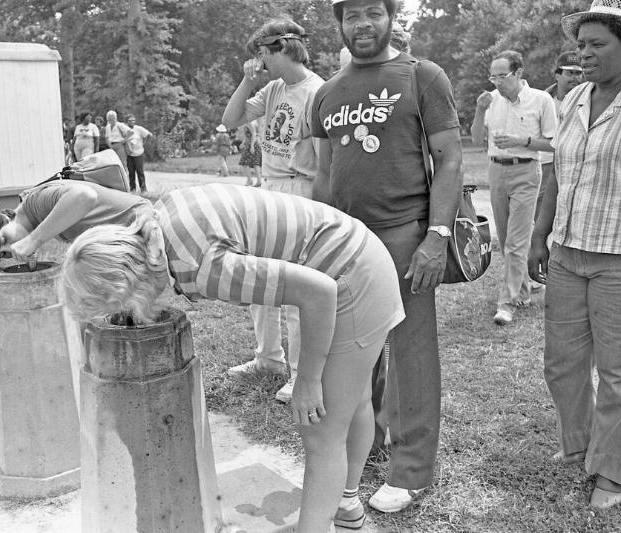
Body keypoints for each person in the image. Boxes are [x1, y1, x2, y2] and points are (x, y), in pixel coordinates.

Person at [59, 184, 404, 532]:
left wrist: (308, 379)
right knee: (355, 399)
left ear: (128, 289)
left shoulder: (203, 267)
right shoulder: (152, 221)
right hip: (360, 250)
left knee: (321, 430)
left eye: (116, 308)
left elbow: (319, 292)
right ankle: (345, 505)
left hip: (352, 278)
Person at [311, 0, 462, 514]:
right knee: (357, 347)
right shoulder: (327, 93)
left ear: (391, 18)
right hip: (349, 239)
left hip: (405, 234)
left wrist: (436, 235)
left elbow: (449, 159)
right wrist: (315, 239)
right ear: (340, 24)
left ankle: (411, 470)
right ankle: (368, 441)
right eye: (352, 15)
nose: (363, 24)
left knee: (412, 352)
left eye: (373, 12)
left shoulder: (423, 76)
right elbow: (324, 174)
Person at [527, 0, 621, 511]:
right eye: (580, 44)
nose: (583, 55)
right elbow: (556, 173)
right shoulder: (575, 97)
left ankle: (614, 470)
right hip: (567, 252)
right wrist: (541, 236)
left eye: (596, 44)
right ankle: (583, 446)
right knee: (561, 365)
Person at [222, 16, 324, 403]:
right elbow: (229, 120)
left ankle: (300, 371)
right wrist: (249, 81)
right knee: (260, 278)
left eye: (263, 53)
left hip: (301, 187)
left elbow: (321, 157)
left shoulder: (317, 91)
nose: (258, 60)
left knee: (297, 286)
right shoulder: (274, 89)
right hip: (270, 188)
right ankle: (268, 357)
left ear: (281, 49)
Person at [471, 50, 557, 326]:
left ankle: (506, 304)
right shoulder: (491, 100)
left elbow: (554, 143)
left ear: (518, 72)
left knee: (516, 242)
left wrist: (522, 141)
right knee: (507, 237)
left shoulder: (541, 100)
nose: (496, 81)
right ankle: (523, 291)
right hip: (496, 171)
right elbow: (475, 140)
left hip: (526, 171)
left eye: (501, 76)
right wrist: (479, 110)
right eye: (492, 76)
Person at [0, 180, 151, 265]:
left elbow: (85, 196)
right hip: (136, 239)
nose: (13, 248)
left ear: (4, 218)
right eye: (4, 255)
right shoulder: (39, 219)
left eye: (4, 240)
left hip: (147, 223)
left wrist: (33, 240)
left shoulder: (36, 203)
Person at [537, 52, 583, 222]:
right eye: (570, 73)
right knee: (542, 213)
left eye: (579, 73)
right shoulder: (542, 99)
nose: (575, 78)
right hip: (547, 164)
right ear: (557, 74)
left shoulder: (590, 98)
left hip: (575, 164)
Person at [124, 114, 153, 193]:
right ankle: (132, 188)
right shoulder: (124, 129)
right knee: (131, 172)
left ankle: (143, 189)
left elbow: (149, 135)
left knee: (140, 172)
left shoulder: (139, 129)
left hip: (139, 154)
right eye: (129, 120)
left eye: (133, 120)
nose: (131, 122)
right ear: (126, 122)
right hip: (129, 154)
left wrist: (144, 142)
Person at [239, 119, 263, 186]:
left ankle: (249, 180)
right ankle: (258, 181)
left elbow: (254, 134)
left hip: (251, 144)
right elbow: (249, 136)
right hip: (254, 143)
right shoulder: (253, 122)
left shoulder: (250, 123)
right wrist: (243, 143)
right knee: (255, 163)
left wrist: (252, 146)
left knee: (244, 162)